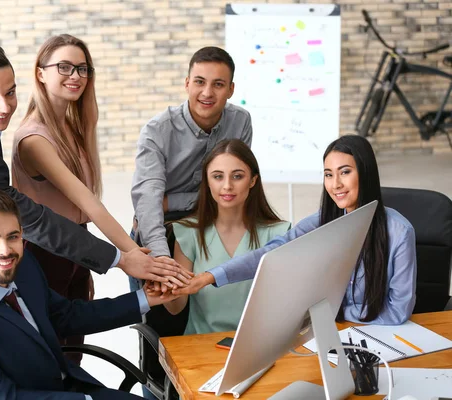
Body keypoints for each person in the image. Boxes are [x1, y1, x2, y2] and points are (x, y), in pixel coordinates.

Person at [0, 42, 186, 400]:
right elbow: (34, 219)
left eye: (10, 93)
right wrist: (120, 258)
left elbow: (66, 313)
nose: (5, 106)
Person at [0, 186, 182, 400]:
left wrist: (145, 299)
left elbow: (66, 315)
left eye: (13, 237)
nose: (5, 250)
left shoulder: (24, 264)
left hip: (69, 387)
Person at [12, 35, 160, 363]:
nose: (75, 75)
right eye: (64, 66)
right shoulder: (34, 138)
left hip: (75, 251)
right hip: (45, 254)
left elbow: (84, 210)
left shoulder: (72, 127)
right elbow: (91, 203)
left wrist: (88, 264)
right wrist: (133, 256)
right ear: (40, 73)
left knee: (72, 356)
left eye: (82, 68)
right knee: (52, 361)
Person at [172, 135, 418, 325]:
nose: (336, 184)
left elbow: (397, 311)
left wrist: (335, 312)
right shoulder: (324, 221)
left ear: (365, 173)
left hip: (382, 337)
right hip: (334, 335)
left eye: (345, 172)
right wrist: (210, 276)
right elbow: (272, 253)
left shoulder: (399, 232)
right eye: (328, 174)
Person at [130, 46, 253, 292]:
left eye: (218, 84)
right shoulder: (157, 131)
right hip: (160, 229)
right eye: (200, 82)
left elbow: (236, 189)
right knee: (158, 321)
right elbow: (149, 203)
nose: (207, 92)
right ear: (187, 83)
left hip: (211, 228)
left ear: (231, 90)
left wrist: (173, 200)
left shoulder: (240, 122)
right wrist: (162, 260)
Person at [157, 140, 290, 334]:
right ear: (207, 181)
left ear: (253, 180)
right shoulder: (188, 234)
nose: (227, 185)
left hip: (258, 346)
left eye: (237, 176)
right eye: (218, 177)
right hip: (201, 350)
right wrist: (167, 289)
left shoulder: (279, 233)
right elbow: (176, 307)